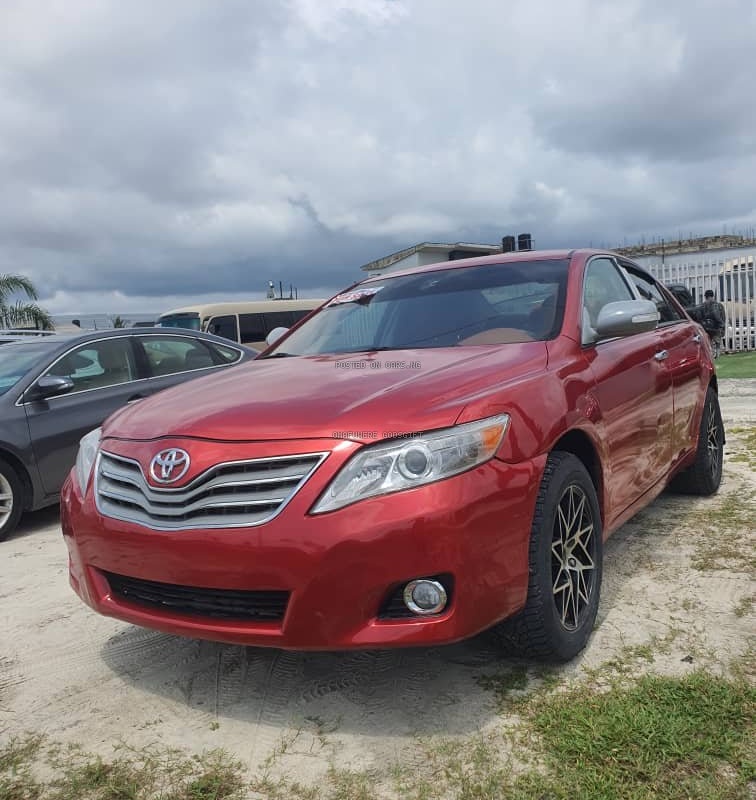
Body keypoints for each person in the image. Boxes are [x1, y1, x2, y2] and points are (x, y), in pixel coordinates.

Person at [701, 289, 726, 358]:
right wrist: (722, 324)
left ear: (706, 296)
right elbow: (722, 316)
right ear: (712, 296)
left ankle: (711, 356)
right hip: (716, 327)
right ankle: (717, 356)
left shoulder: (702, 306)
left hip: (706, 327)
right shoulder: (719, 305)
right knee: (717, 342)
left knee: (709, 342)